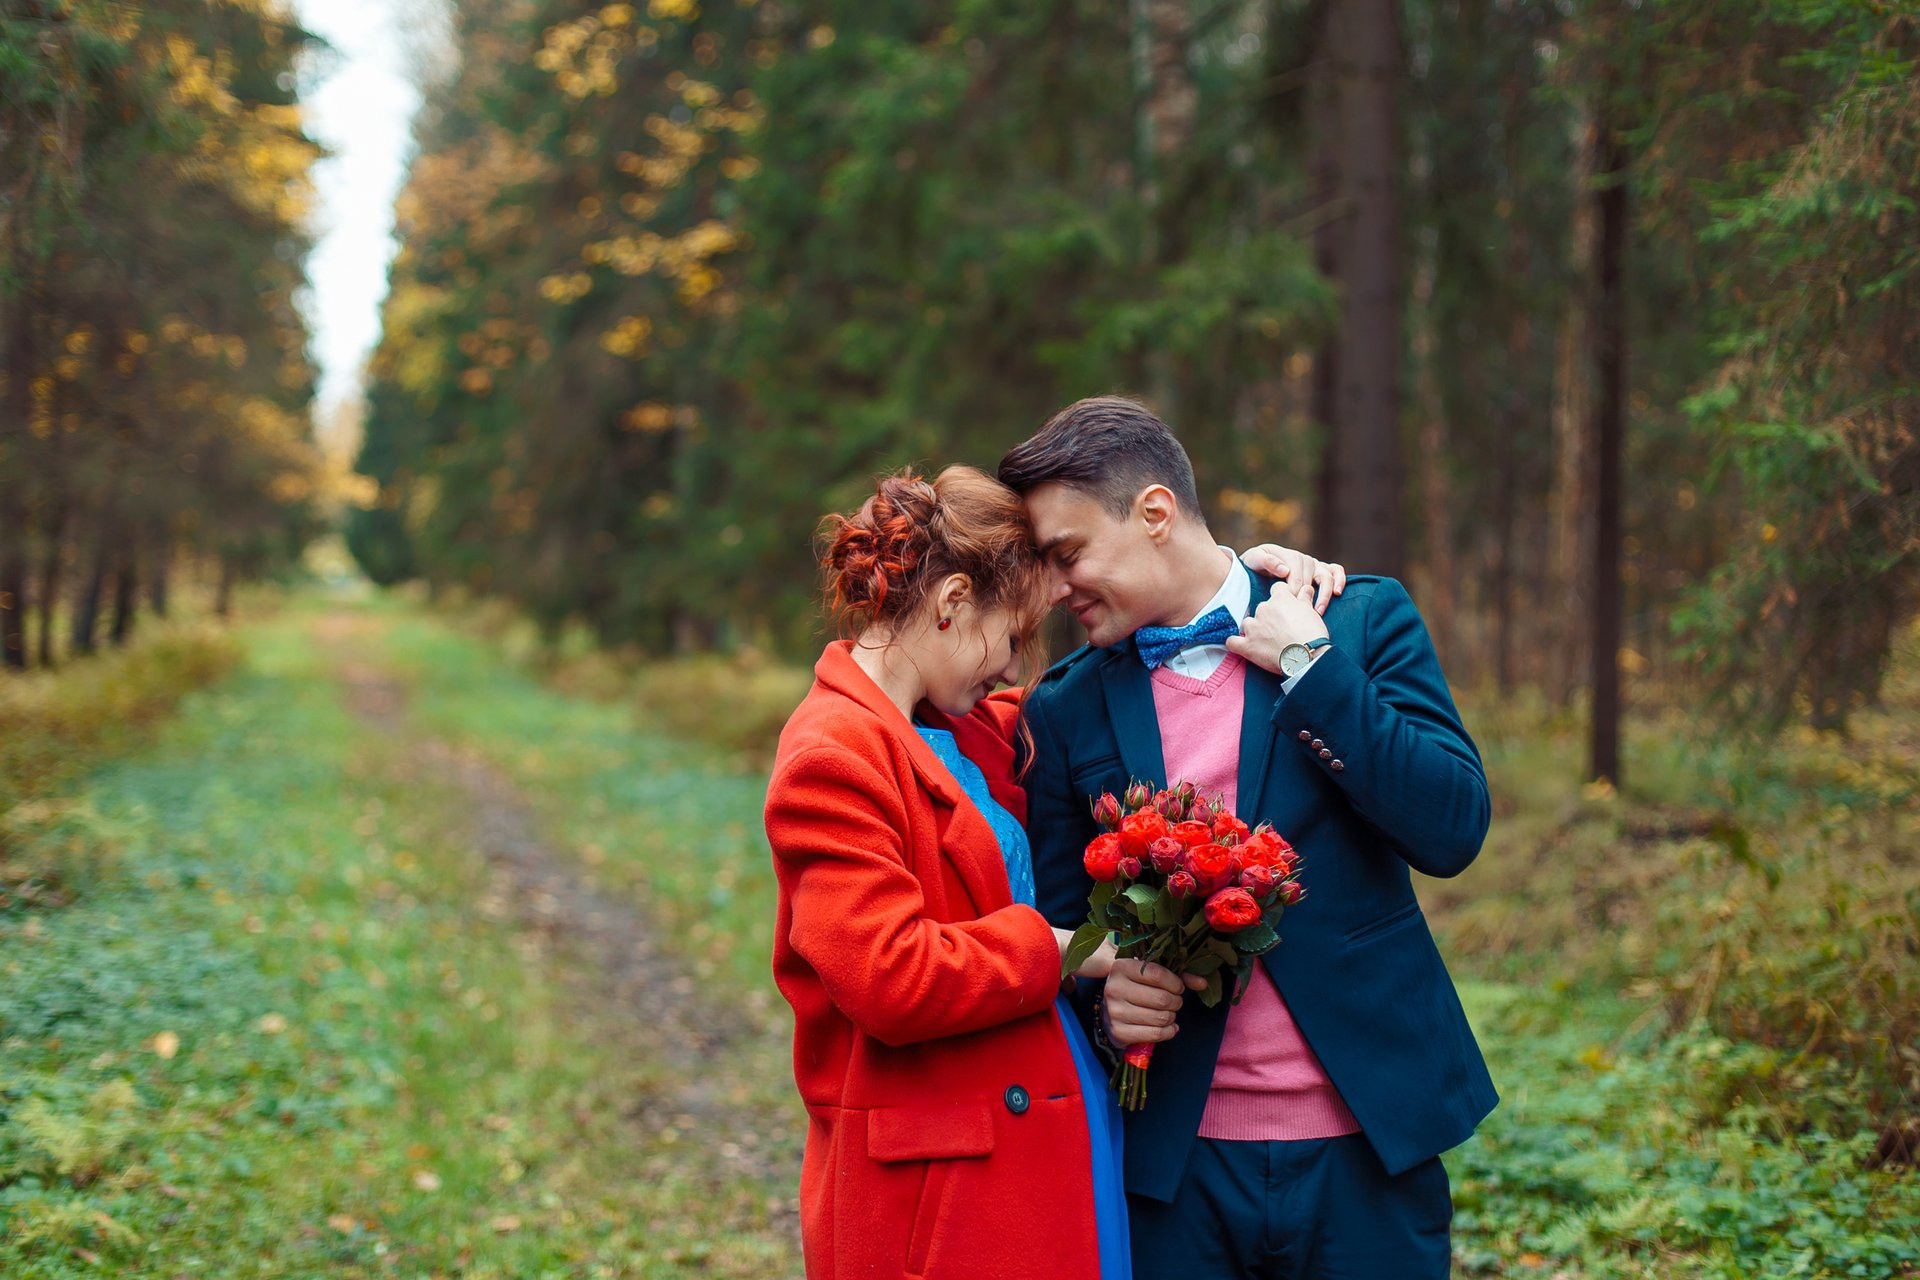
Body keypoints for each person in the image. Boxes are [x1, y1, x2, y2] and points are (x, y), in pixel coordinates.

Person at [763, 465, 1342, 1280]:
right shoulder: (833, 754)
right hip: (940, 1192)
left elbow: (1107, 680)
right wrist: (1078, 948)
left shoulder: (965, 731)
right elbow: (887, 975)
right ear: (952, 601)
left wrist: (1237, 581)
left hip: (1045, 1154)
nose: (1010, 667)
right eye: (1012, 635)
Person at [1001, 397, 1497, 1280]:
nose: (1053, 589)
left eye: (1066, 554)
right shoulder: (1064, 706)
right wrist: (1110, 1009)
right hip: (1175, 1168)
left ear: (1154, 513)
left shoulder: (1357, 622)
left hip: (1370, 1145)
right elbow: (1065, 930)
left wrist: (1315, 670)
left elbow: (1451, 829)